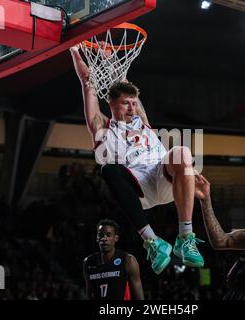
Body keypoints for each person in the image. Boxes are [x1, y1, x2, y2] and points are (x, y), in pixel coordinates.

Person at [70, 45, 204, 275]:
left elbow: (121, 78)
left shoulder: (141, 119)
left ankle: (185, 238)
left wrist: (110, 57)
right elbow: (87, 81)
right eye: (126, 103)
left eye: (134, 103)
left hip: (164, 178)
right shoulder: (101, 126)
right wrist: (74, 49)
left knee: (182, 151)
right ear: (112, 103)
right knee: (108, 169)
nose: (132, 107)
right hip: (138, 186)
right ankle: (153, 242)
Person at [83, 219, 144, 300]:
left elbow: (139, 297)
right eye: (101, 235)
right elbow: (90, 295)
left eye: (108, 235)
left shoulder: (128, 260)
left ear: (116, 238)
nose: (104, 238)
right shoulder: (88, 262)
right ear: (97, 238)